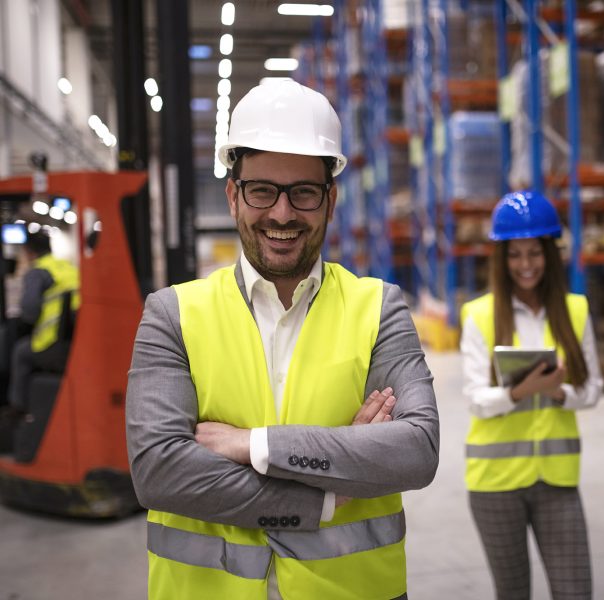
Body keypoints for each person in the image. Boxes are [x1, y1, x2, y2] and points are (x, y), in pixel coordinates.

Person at [126, 78, 439, 600]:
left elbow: (416, 452)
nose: (282, 213)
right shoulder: (173, 315)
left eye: (304, 192)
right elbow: (159, 472)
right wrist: (326, 493)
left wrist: (253, 444)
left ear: (330, 200)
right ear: (233, 196)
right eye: (262, 190)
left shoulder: (379, 308)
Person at [459, 190, 603, 600]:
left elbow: (592, 389)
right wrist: (520, 392)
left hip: (557, 480)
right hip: (494, 484)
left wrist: (559, 394)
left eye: (535, 253)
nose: (526, 264)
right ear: (502, 259)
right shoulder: (480, 315)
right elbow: (475, 398)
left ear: (550, 255)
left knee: (575, 591)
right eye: (516, 255)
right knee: (513, 593)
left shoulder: (575, 310)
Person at [7, 230, 79, 415]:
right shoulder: (68, 267)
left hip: (50, 342)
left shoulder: (38, 272)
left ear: (29, 252)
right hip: (73, 340)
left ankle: (17, 409)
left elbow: (29, 313)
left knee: (19, 352)